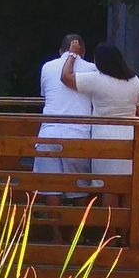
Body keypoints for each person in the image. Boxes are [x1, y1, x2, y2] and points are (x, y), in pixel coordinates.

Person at [61, 42, 139, 207]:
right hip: (129, 137)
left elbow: (66, 77)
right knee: (127, 184)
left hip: (104, 137)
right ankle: (127, 231)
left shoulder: (96, 79)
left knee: (107, 185)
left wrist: (72, 54)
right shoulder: (134, 80)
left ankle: (110, 230)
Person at [34, 34, 96, 219]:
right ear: (82, 52)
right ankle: (78, 234)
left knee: (52, 188)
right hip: (78, 134)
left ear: (60, 51)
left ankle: (57, 236)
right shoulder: (92, 69)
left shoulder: (47, 67)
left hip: (48, 133)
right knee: (80, 187)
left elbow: (45, 95)